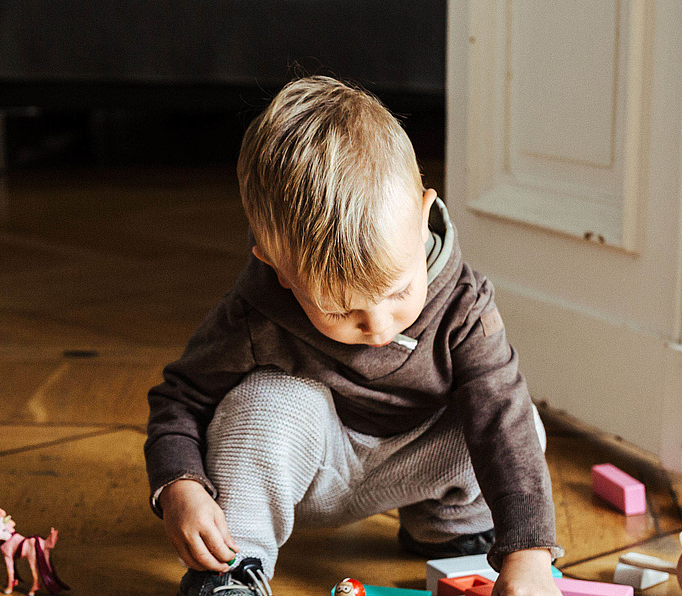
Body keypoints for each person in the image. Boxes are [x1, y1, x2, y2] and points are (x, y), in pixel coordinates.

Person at [146, 76, 562, 596]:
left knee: (512, 420)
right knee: (264, 403)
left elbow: (503, 418)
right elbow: (178, 399)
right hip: (315, 476)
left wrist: (530, 557)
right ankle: (235, 570)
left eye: (397, 290)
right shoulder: (254, 316)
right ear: (275, 266)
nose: (379, 326)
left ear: (425, 212)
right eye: (342, 310)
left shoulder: (463, 305)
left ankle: (451, 531)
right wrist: (180, 486)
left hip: (420, 465)